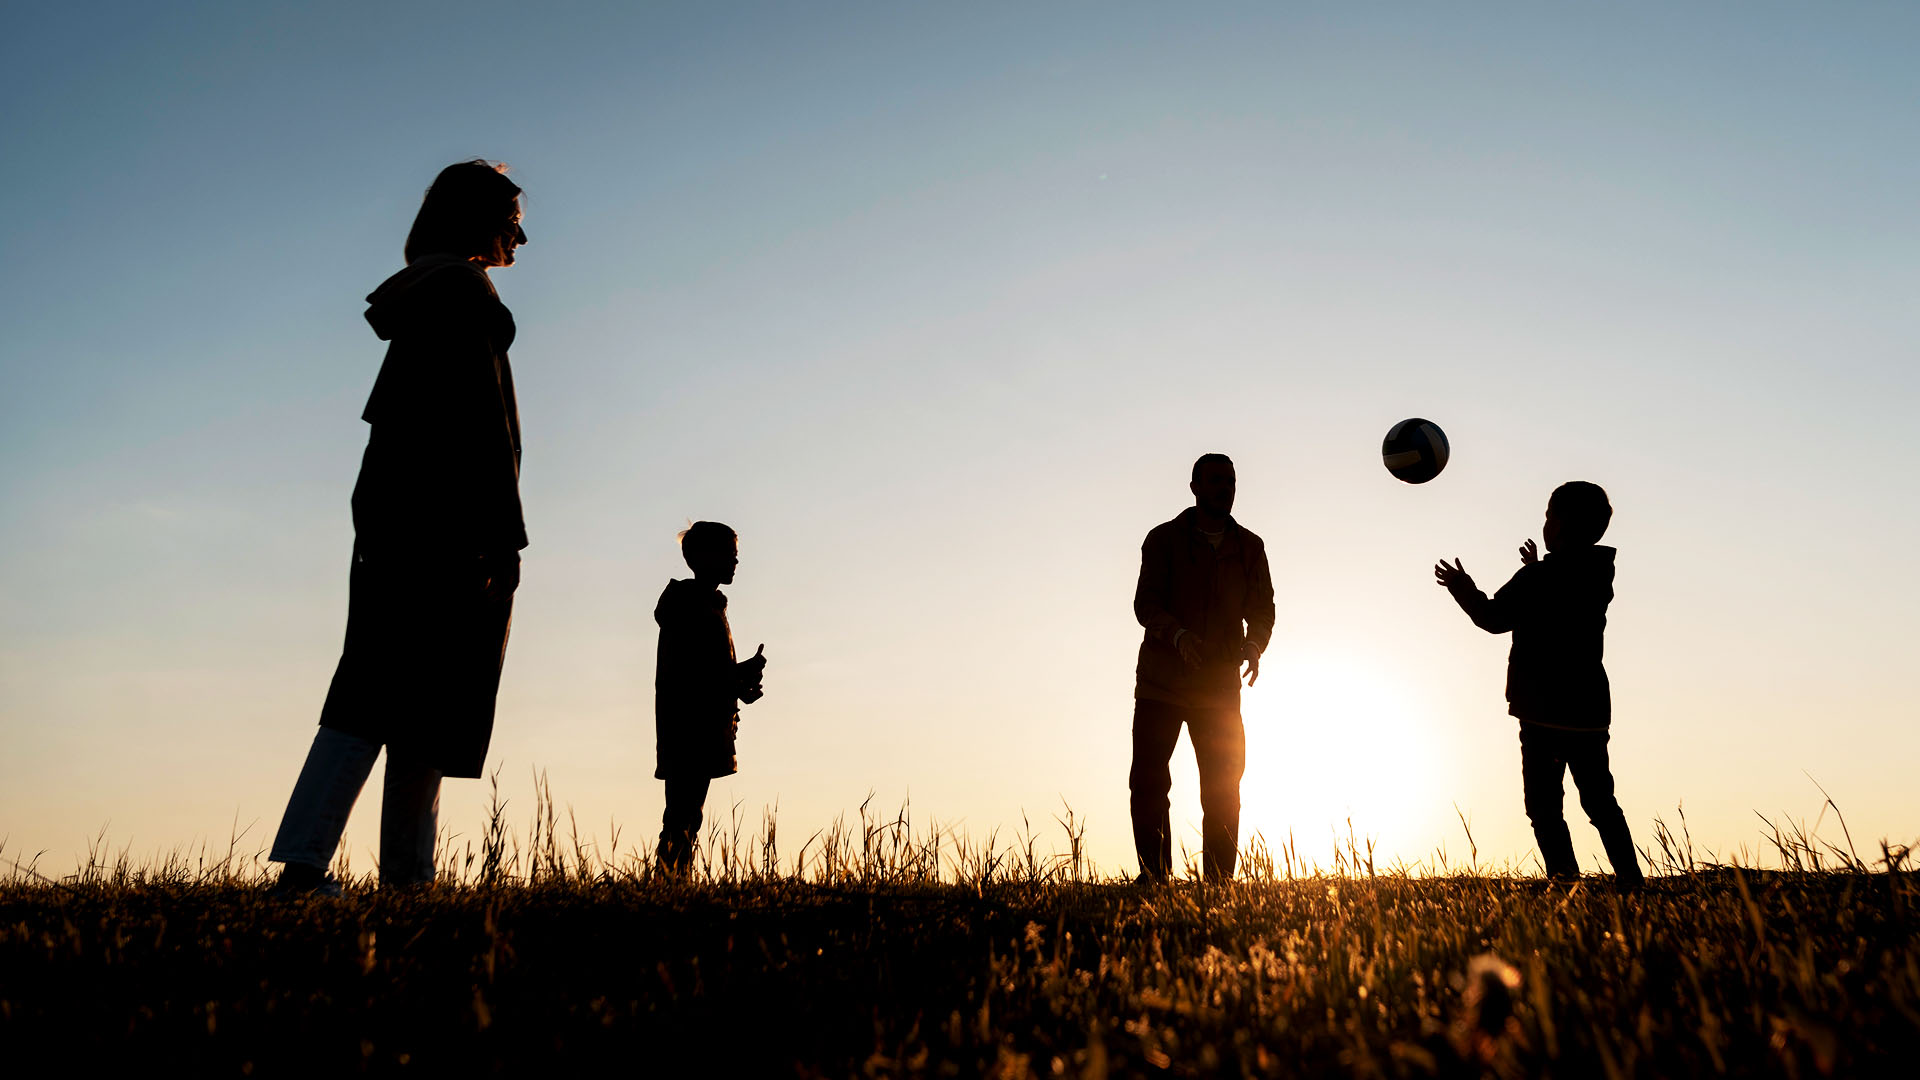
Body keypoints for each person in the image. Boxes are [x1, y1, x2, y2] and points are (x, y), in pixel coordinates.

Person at [268, 160, 530, 895]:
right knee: (382, 694)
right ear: (476, 217)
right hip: (442, 526)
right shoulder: (460, 293)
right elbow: (476, 430)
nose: (522, 234)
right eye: (511, 217)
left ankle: (404, 879)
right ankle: (305, 867)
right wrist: (500, 534)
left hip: (405, 520)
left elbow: (404, 428)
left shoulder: (435, 292)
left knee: (411, 698)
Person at [1434, 481, 1645, 889]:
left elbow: (1493, 618)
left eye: (1549, 516)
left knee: (1545, 807)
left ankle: (1565, 883)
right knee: (1601, 802)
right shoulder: (1598, 574)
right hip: (1587, 712)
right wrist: (1534, 569)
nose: (1545, 524)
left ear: (1561, 524)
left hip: (1542, 713)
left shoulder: (1539, 579)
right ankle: (1632, 881)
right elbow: (1564, 598)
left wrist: (1462, 587)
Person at [1130, 453, 1275, 882]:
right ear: (1194, 486)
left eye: (1230, 481)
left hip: (1219, 687)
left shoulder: (1251, 547)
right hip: (1161, 683)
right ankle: (1155, 877)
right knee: (1150, 784)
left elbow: (1263, 610)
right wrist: (1178, 636)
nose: (1224, 488)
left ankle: (1218, 883)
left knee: (1223, 788)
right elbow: (1146, 605)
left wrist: (1254, 645)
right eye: (1214, 481)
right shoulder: (1162, 540)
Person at [654, 521, 767, 874]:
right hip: (690, 725)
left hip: (696, 723)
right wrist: (736, 677)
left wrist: (737, 680)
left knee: (688, 810)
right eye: (729, 554)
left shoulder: (704, 605)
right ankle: (669, 878)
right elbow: (694, 673)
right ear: (701, 557)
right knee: (683, 810)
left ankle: (673, 879)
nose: (735, 562)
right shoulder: (691, 607)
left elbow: (707, 671)